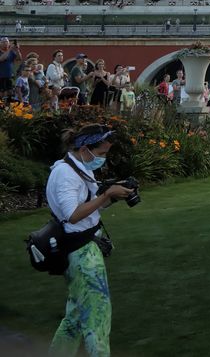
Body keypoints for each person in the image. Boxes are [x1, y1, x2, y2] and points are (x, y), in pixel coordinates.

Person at [46, 123, 136, 355]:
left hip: (80, 249)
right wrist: (107, 194)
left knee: (75, 316)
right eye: (101, 153)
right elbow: (73, 215)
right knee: (98, 317)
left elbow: (89, 208)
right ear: (85, 148)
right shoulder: (66, 174)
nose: (103, 158)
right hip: (81, 253)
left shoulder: (76, 167)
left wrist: (114, 196)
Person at [0, 36, 19, 102]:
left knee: (10, 92)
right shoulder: (4, 51)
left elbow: (19, 58)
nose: (6, 43)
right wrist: (9, 49)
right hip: (1, 76)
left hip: (9, 76)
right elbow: (2, 59)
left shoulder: (11, 52)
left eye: (7, 42)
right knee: (2, 93)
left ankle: (8, 108)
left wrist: (17, 50)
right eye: (4, 42)